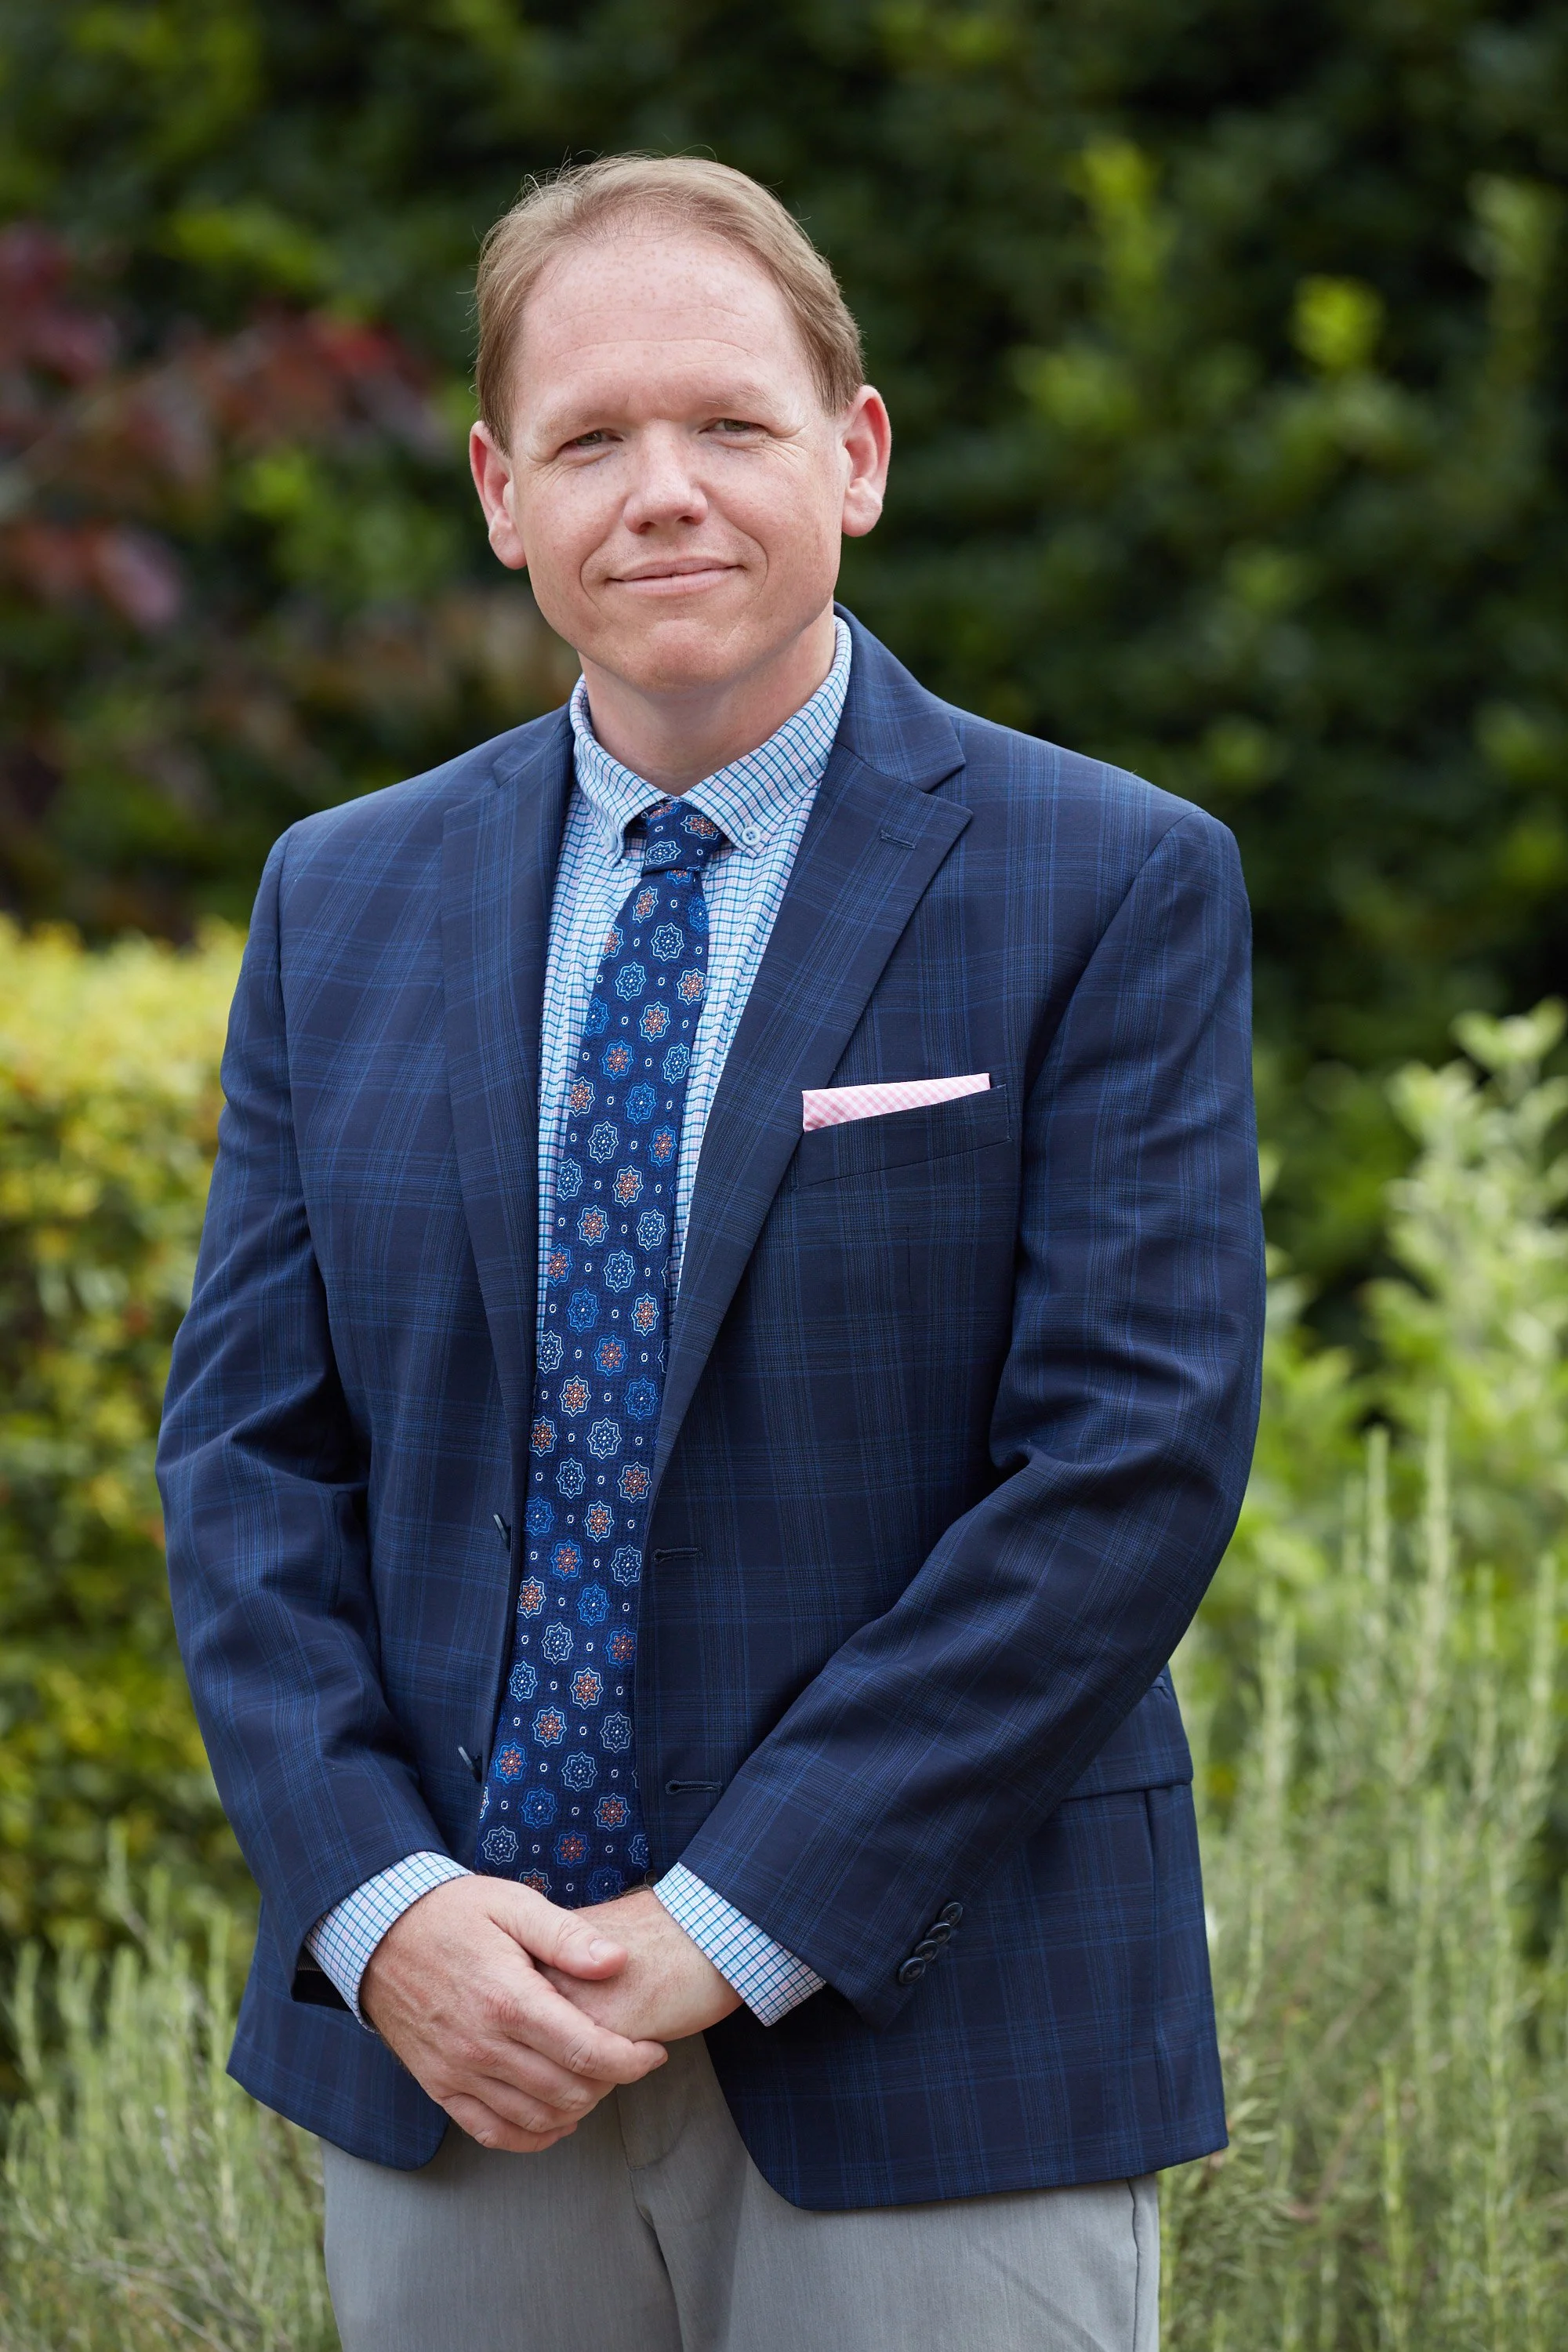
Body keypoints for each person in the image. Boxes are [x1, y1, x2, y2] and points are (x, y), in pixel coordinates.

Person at [158, 154, 1265, 2352]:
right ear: (502, 495)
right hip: (457, 2064)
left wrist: (731, 1920)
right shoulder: (340, 899)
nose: (661, 491)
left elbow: (1125, 1466)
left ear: (854, 455)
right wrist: (382, 1911)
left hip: (933, 2047)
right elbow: (248, 1464)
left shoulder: (1106, 880)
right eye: (589, 439)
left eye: (729, 424)